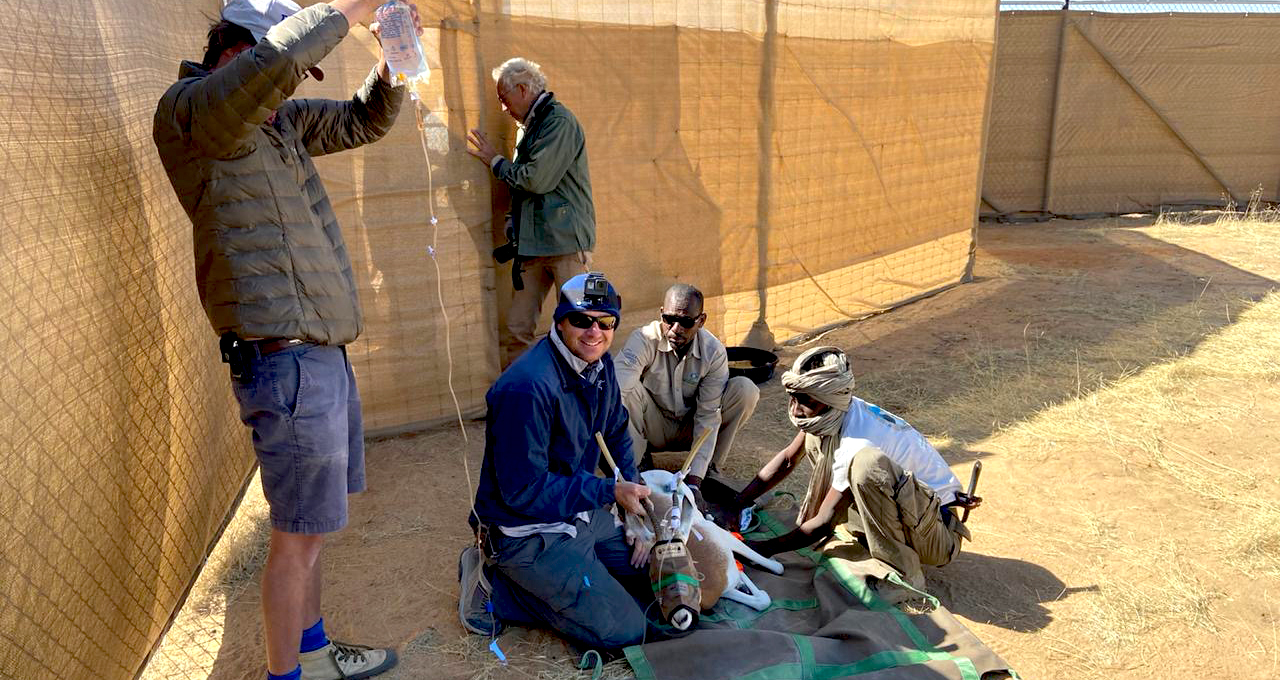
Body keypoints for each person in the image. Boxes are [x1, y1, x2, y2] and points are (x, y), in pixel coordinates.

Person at [153, 1, 419, 678]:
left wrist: (393, 61)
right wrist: (349, 8)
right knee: (296, 541)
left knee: (312, 531)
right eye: (288, 74)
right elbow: (275, 68)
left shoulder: (279, 124)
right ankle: (288, 675)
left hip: (316, 354)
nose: (294, 91)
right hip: (284, 360)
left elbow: (363, 120)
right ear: (240, 52)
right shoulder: (192, 112)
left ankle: (314, 653)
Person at [458, 272, 657, 650]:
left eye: (605, 322)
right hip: (526, 531)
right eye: (582, 320)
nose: (594, 332)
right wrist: (609, 490)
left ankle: (574, 578)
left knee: (656, 574)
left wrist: (633, 509)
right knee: (626, 629)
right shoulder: (526, 388)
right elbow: (523, 492)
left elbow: (615, 428)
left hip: (574, 511)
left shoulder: (600, 364)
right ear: (560, 321)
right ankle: (496, 589)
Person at [726, 347, 979, 591]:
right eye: (792, 397)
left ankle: (903, 574)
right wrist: (737, 503)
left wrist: (761, 549)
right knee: (816, 436)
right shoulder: (836, 410)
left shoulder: (858, 439)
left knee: (867, 466)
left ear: (828, 399)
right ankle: (874, 536)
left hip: (938, 537)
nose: (795, 409)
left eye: (804, 400)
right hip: (918, 518)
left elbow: (823, 524)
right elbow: (788, 460)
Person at [466, 57, 596, 367]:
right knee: (517, 329)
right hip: (533, 244)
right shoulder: (529, 126)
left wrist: (495, 161)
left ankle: (584, 398)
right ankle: (520, 397)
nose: (502, 108)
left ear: (522, 90)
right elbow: (523, 182)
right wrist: (513, 218)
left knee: (582, 329)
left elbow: (536, 179)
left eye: (503, 98)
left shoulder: (558, 122)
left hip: (565, 242)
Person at [614, 283, 760, 506]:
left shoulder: (713, 351)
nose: (675, 329)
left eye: (686, 322)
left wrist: (693, 482)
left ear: (701, 321)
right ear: (660, 313)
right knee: (625, 389)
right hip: (651, 426)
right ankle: (638, 463)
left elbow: (708, 415)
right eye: (669, 319)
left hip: (690, 428)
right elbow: (616, 392)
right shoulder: (643, 339)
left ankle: (709, 470)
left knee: (744, 390)